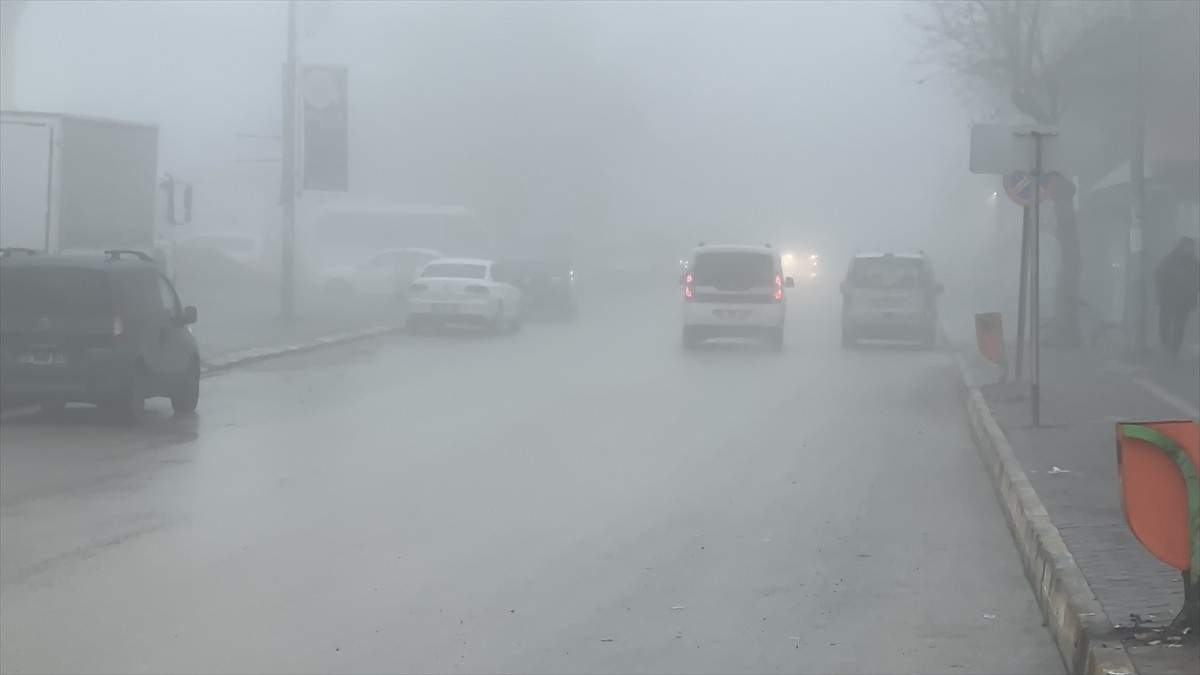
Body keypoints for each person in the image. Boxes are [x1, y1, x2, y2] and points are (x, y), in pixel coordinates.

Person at [1154, 236, 1200, 355]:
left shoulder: (1194, 263)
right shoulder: (1171, 258)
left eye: (1191, 247)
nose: (1189, 249)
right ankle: (1166, 342)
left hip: (1184, 300)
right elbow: (1159, 273)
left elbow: (1196, 281)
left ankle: (1175, 348)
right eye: (1187, 246)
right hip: (1168, 298)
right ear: (1182, 246)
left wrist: (1192, 297)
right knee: (1164, 324)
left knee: (1180, 325)